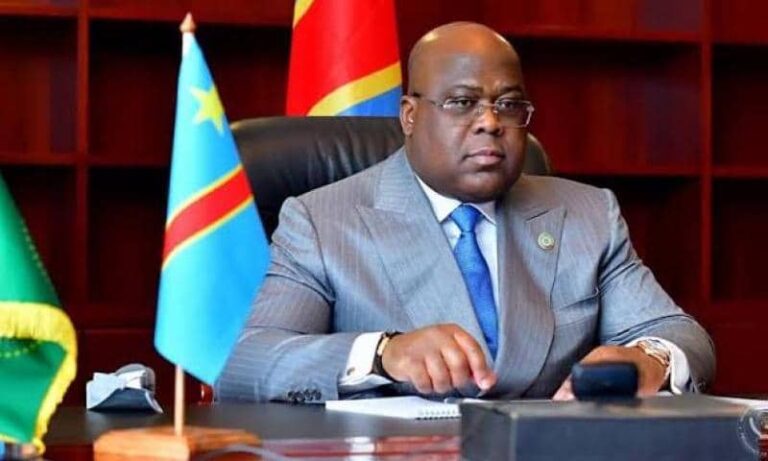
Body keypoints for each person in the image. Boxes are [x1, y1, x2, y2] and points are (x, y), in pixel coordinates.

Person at [216, 22, 715, 403]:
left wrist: (648, 359)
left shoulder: (587, 213)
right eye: (461, 102)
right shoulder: (321, 220)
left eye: (509, 105)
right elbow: (245, 361)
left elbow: (682, 335)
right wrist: (384, 353)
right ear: (410, 116)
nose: (490, 123)